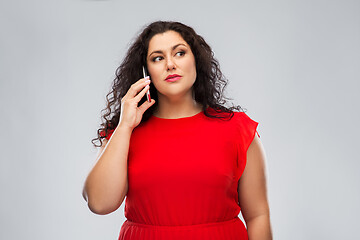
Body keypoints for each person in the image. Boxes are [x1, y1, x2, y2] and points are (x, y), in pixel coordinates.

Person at [82, 20, 273, 240]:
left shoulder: (237, 129)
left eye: (179, 53)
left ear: (196, 60)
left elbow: (258, 215)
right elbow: (99, 203)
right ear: (145, 72)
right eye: (158, 58)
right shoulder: (124, 132)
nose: (170, 65)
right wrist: (125, 125)